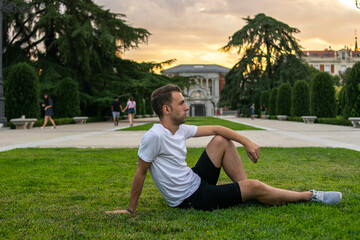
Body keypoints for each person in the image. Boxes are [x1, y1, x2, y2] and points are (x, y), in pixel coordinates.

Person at [106, 84, 342, 214]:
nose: (187, 107)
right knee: (255, 186)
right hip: (189, 198)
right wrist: (130, 210)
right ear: (166, 110)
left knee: (221, 140)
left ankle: (248, 195)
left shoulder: (178, 129)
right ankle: (312, 196)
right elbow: (140, 172)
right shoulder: (154, 137)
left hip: (195, 180)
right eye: (181, 103)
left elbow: (218, 128)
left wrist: (247, 141)